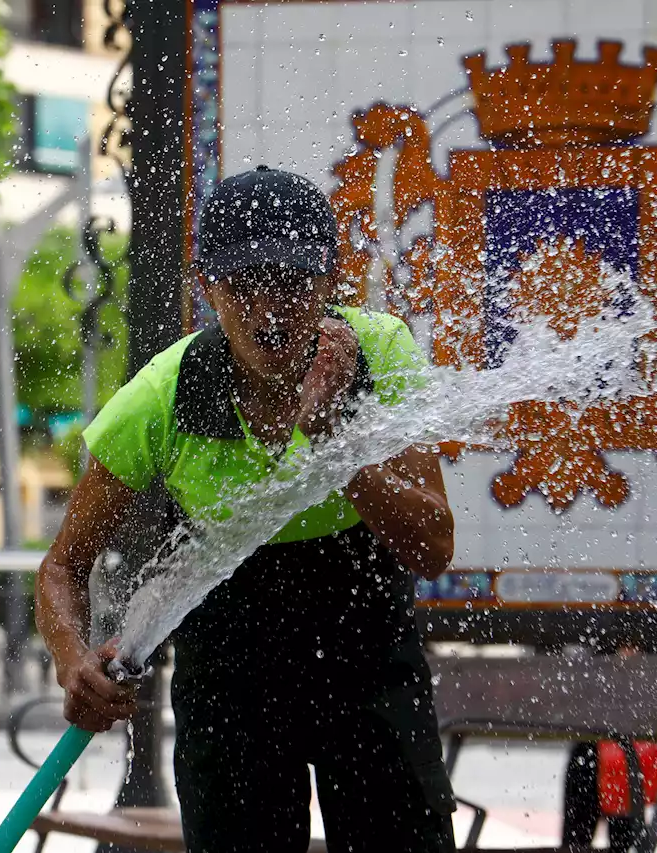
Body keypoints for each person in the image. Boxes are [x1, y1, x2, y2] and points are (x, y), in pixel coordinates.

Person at [36, 165, 459, 853]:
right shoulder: (163, 396)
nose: (270, 309)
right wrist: (70, 659)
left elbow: (433, 547)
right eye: (245, 285)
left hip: (363, 640)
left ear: (329, 283)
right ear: (208, 288)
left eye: (293, 284)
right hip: (231, 662)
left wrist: (334, 445)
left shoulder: (380, 352)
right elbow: (63, 565)